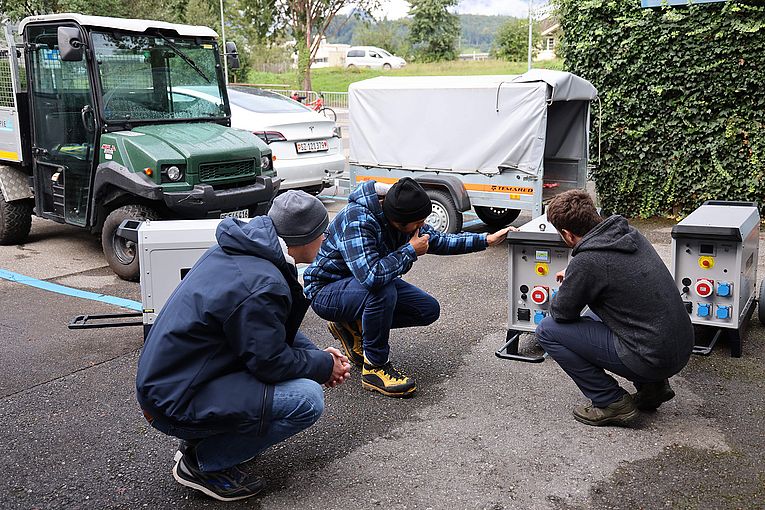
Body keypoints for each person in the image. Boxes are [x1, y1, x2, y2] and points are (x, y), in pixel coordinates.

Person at [136, 191, 351, 501]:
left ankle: (205, 442)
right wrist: (323, 367)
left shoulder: (248, 252)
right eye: (323, 232)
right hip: (173, 401)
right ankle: (203, 463)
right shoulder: (262, 283)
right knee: (307, 399)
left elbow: (269, 335)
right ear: (305, 238)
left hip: (176, 382)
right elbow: (270, 362)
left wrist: (319, 357)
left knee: (298, 382)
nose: (325, 238)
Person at [304, 177, 512, 398]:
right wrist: (410, 251)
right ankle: (375, 367)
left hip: (357, 289)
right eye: (418, 223)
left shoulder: (402, 214)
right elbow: (371, 277)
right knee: (382, 290)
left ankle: (352, 325)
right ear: (397, 220)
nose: (422, 227)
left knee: (427, 309)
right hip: (326, 291)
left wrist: (486, 240)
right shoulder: (358, 219)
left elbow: (439, 240)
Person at [535, 190, 693, 427]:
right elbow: (614, 273)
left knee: (547, 330)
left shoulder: (588, 261)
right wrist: (576, 275)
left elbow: (562, 313)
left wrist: (573, 281)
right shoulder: (628, 235)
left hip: (651, 358)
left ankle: (611, 402)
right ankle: (654, 388)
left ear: (567, 234)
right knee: (596, 312)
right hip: (678, 347)